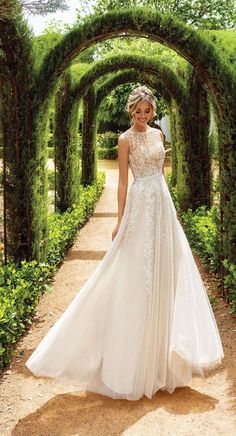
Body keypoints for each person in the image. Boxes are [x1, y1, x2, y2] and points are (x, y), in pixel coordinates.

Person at [26, 86, 224, 401]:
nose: (143, 116)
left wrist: (170, 207)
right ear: (130, 112)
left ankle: (162, 360)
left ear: (153, 111)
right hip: (141, 203)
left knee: (165, 272)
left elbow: (163, 174)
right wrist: (120, 219)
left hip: (162, 204)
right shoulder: (124, 139)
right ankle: (134, 360)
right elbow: (122, 181)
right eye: (138, 112)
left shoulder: (159, 135)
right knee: (136, 275)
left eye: (147, 111)